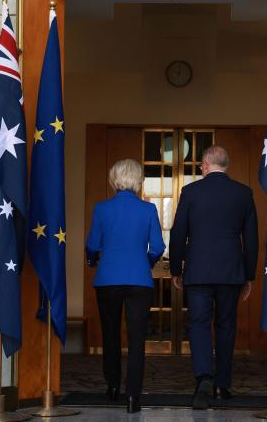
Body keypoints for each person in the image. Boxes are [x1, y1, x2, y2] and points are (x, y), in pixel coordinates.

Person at [169, 145, 258, 409]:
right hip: (231, 272)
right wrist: (249, 274)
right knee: (226, 326)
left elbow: (177, 233)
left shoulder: (190, 192)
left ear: (206, 165)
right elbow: (251, 239)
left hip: (198, 271)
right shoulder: (243, 193)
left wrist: (176, 269)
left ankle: (203, 378)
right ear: (225, 165)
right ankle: (222, 384)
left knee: (198, 323)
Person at [86, 158, 165, 413]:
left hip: (108, 279)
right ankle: (133, 397)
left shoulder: (101, 208)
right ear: (138, 181)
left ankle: (112, 387)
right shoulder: (148, 210)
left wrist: (91, 260)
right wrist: (146, 261)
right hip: (140, 280)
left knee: (110, 334)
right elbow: (159, 247)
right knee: (137, 339)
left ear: (114, 180)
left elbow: (93, 245)